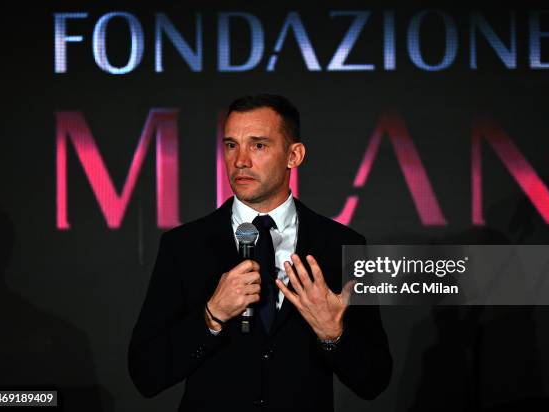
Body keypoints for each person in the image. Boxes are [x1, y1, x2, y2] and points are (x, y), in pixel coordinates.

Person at [128, 94, 392, 411]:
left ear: (293, 155)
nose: (240, 160)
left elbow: (374, 381)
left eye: (258, 145)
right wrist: (211, 317)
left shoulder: (341, 245)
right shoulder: (184, 246)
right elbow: (146, 374)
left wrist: (332, 333)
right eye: (230, 145)